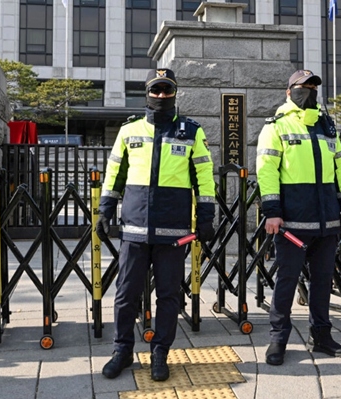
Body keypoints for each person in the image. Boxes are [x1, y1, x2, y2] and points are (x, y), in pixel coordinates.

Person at [96, 68, 216, 381]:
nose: (161, 95)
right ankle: (122, 349)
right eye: (156, 90)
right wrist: (104, 209)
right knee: (126, 294)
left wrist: (206, 217)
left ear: (175, 93)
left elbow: (204, 177)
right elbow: (114, 175)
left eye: (167, 90)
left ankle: (161, 351)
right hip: (135, 229)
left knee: (168, 296)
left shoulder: (191, 131)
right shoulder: (129, 130)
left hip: (173, 232)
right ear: (147, 93)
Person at [256, 69, 341, 366]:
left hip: (327, 220)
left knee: (323, 281)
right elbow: (266, 172)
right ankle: (278, 338)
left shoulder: (327, 127)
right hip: (292, 224)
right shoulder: (276, 126)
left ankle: (321, 336)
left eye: (313, 86)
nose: (309, 90)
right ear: (289, 91)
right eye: (303, 86)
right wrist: (272, 212)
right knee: (286, 281)